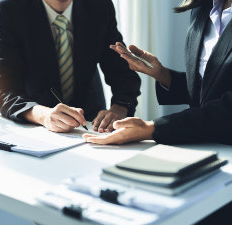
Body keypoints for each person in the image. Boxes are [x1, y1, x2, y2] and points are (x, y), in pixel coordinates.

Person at [83, 0, 232, 146]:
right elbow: (208, 92)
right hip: (201, 144)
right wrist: (162, 74)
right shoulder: (203, 8)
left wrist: (152, 128)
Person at [0, 0, 141, 133]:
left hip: (91, 124)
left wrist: (119, 107)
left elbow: (122, 74)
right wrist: (44, 116)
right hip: (34, 126)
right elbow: (4, 92)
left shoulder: (100, 5)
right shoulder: (10, 8)